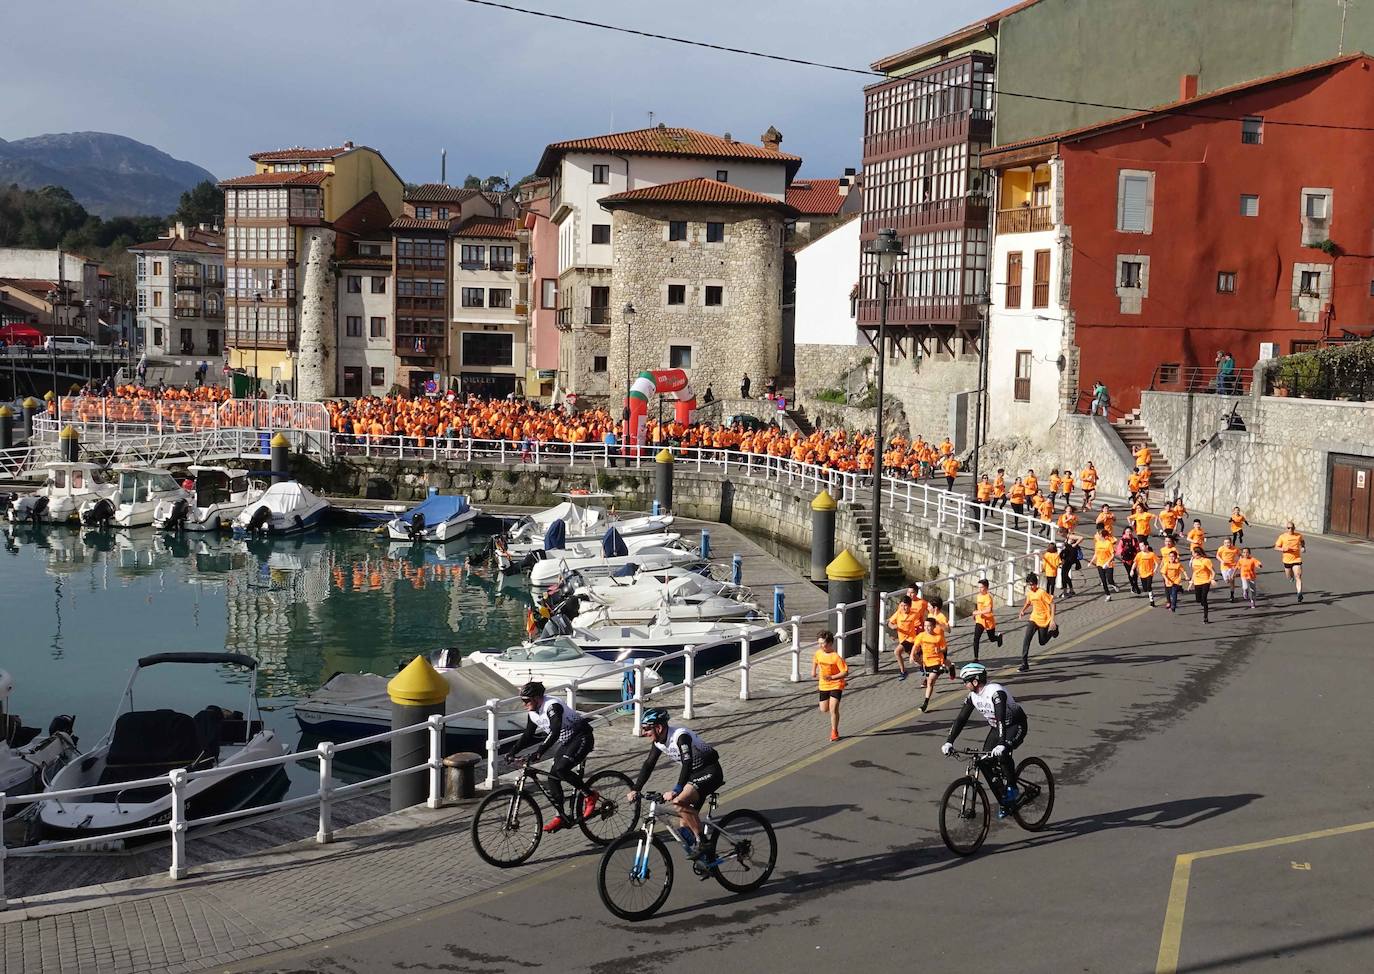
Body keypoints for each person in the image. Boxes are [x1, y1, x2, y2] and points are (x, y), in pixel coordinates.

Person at [627, 708, 723, 857]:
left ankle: (703, 843)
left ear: (658, 728)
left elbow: (687, 763)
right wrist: (636, 788)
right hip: (693, 777)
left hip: (710, 772)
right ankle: (708, 859)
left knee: (678, 802)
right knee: (684, 825)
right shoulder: (659, 742)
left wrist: (676, 790)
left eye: (646, 729)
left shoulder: (680, 736)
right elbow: (648, 764)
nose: (643, 733)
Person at [510, 681, 597, 833]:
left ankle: (590, 795)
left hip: (582, 737)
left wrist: (540, 751)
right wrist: (512, 752)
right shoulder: (533, 711)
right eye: (522, 701)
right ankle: (561, 816)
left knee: (561, 769)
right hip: (568, 741)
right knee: (552, 777)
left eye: (526, 701)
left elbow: (555, 731)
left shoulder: (552, 706)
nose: (524, 704)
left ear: (537, 698)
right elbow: (528, 734)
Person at [941, 662, 1027, 814]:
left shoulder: (995, 692)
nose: (964, 685)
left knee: (1003, 753)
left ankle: (1012, 788)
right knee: (985, 761)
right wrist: (949, 741)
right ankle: (1004, 799)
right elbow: (961, 719)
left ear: (975, 681)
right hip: (997, 727)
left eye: (965, 682)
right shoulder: (973, 696)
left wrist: (1001, 744)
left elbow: (1000, 718)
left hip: (1015, 725)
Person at [1017, 573, 1058, 671]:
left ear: (1036, 584)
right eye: (1029, 585)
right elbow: (1028, 602)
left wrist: (1052, 620)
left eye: (1032, 585)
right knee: (1026, 639)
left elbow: (1052, 604)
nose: (1031, 587)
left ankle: (1053, 631)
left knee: (1042, 642)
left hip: (1044, 620)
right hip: (1033, 619)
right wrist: (1022, 611)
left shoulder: (1042, 592)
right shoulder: (1030, 593)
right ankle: (1024, 663)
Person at [811, 630, 848, 741]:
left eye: (824, 643)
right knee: (824, 709)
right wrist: (813, 671)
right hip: (823, 685)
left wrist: (832, 677)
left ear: (830, 643)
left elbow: (845, 672)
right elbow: (815, 660)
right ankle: (834, 729)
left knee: (833, 709)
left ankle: (834, 731)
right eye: (820, 643)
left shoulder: (836, 657)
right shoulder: (818, 653)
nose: (822, 646)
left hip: (836, 684)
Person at [913, 616, 950, 713]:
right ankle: (950, 666)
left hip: (937, 661)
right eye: (925, 626)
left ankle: (925, 703)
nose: (926, 628)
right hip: (927, 662)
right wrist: (912, 655)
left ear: (934, 627)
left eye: (929, 626)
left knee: (930, 681)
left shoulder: (938, 637)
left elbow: (944, 648)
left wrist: (940, 650)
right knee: (931, 683)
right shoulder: (921, 636)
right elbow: (915, 646)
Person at [888, 594, 921, 681]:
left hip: (911, 639)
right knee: (914, 657)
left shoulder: (914, 614)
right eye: (902, 605)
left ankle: (903, 672)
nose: (903, 608)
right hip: (902, 639)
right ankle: (924, 666)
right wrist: (893, 627)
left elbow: (920, 625)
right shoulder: (898, 613)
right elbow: (890, 623)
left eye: (905, 606)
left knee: (897, 652)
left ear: (910, 606)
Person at [972, 578, 1003, 661]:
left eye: (981, 587)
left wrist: (978, 612)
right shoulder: (978, 596)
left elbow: (989, 610)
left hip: (989, 620)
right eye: (978, 587)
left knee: (991, 638)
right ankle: (976, 657)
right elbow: (978, 607)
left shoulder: (988, 597)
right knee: (976, 638)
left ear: (986, 588)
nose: (979, 589)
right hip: (980, 620)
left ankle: (998, 638)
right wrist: (975, 614)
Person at [1274, 521, 1306, 602]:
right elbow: (1276, 547)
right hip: (1287, 560)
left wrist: (1303, 547)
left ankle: (1299, 593)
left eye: (1292, 528)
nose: (1290, 529)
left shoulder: (1298, 535)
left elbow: (1302, 541)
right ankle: (1291, 577)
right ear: (1286, 528)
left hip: (1296, 559)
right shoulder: (1282, 537)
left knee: (1298, 576)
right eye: (1288, 528)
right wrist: (1283, 549)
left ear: (1294, 528)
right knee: (1289, 576)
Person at [1187, 547, 1215, 624]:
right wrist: (1191, 583)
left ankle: (1205, 617)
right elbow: (1194, 572)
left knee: (1204, 598)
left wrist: (1212, 579)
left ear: (1197, 553)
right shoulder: (1194, 561)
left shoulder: (1206, 561)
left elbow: (1213, 572)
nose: (1192, 554)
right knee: (1198, 600)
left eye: (1193, 552)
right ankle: (1202, 602)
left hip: (1206, 581)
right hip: (1197, 582)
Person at [1092, 525, 1119, 600]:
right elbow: (1096, 553)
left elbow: (1113, 553)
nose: (1098, 536)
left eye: (1099, 535)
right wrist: (1091, 561)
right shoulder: (1097, 542)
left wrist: (1108, 562)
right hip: (1100, 563)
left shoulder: (1108, 543)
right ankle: (1108, 595)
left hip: (1108, 564)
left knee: (1110, 580)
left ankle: (1114, 584)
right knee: (1103, 580)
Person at [1134, 540, 1159, 607]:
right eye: (1140, 546)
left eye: (1142, 546)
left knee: (1149, 586)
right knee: (1145, 588)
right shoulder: (1139, 554)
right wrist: (1132, 570)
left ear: (1146, 546)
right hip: (1142, 573)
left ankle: (1152, 601)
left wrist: (1155, 569)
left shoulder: (1152, 554)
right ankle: (1150, 593)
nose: (1140, 547)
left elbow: (1156, 563)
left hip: (1149, 573)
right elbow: (1135, 563)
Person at [1161, 548, 1185, 613]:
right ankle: (1180, 588)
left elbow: (1183, 571)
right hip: (1169, 581)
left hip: (1176, 581)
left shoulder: (1178, 564)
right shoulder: (1166, 564)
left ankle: (1173, 607)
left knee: (1174, 594)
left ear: (1175, 557)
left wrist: (1187, 576)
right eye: (1170, 556)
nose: (1171, 558)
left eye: (1173, 556)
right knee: (1171, 593)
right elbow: (1163, 573)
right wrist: (1166, 579)